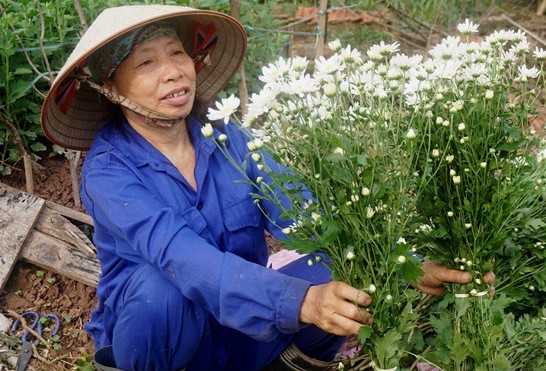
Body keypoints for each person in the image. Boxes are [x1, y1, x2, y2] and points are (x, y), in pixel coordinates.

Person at [40, 5, 483, 371]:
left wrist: (404, 264)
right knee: (164, 293)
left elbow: (307, 214)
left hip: (241, 329)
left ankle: (287, 362)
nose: (174, 72)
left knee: (345, 272)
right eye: (147, 63)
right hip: (164, 344)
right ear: (110, 88)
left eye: (177, 53)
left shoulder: (229, 140)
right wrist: (299, 302)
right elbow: (183, 259)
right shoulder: (109, 171)